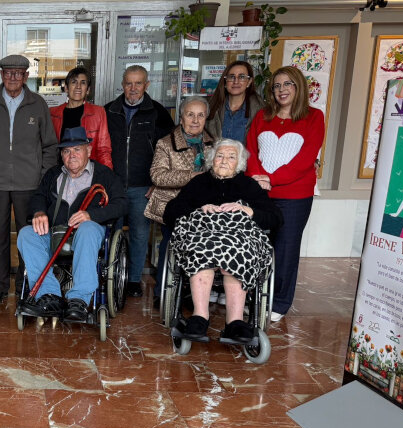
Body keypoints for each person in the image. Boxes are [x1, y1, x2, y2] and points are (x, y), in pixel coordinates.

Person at [163, 139, 282, 342]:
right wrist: (198, 209)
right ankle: (200, 317)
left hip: (239, 239)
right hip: (203, 236)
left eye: (231, 157)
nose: (224, 161)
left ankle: (235, 322)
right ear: (211, 160)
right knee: (200, 250)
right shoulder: (199, 183)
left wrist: (249, 210)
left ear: (240, 163)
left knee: (238, 252)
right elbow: (170, 212)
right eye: (220, 156)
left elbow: (276, 217)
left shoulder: (249, 185)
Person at [0, 54, 59, 304]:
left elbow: (50, 145)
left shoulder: (37, 104)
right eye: (8, 73)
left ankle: (25, 283)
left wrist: (43, 177)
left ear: (27, 76)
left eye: (19, 73)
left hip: (30, 184)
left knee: (28, 237)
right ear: (2, 75)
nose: (13, 78)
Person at [17, 126, 124, 321]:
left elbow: (122, 204)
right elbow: (38, 197)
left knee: (88, 229)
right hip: (55, 232)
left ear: (89, 151)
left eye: (77, 149)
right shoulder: (53, 174)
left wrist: (92, 215)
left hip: (87, 233)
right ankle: (49, 296)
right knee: (26, 234)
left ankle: (79, 300)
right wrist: (39, 212)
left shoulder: (104, 175)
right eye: (66, 151)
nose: (71, 155)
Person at [246, 66, 325, 323]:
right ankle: (251, 295)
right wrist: (258, 178)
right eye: (277, 86)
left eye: (287, 84)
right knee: (252, 243)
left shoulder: (314, 117)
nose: (281, 90)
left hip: (295, 195)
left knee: (285, 247)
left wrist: (272, 179)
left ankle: (279, 301)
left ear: (298, 86)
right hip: (259, 192)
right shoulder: (262, 116)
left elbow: (305, 159)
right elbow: (251, 150)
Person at [105, 65, 174, 299]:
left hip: (143, 186)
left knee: (139, 234)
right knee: (110, 234)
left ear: (147, 85)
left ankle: (133, 280)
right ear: (122, 84)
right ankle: (110, 276)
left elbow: (168, 151)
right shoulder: (108, 111)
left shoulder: (158, 112)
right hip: (112, 187)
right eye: (128, 83)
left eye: (138, 83)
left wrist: (158, 182)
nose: (133, 88)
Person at [145, 96, 215, 306]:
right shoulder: (166, 143)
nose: (195, 120)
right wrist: (191, 176)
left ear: (206, 118)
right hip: (172, 205)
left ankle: (191, 291)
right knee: (170, 245)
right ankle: (161, 292)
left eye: (200, 115)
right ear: (181, 117)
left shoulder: (213, 144)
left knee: (201, 247)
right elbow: (157, 175)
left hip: (204, 207)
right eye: (190, 114)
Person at [48, 67, 112, 168]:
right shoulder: (52, 113)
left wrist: (107, 177)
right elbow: (48, 149)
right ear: (66, 88)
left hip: (89, 172)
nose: (78, 86)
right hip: (60, 172)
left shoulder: (98, 112)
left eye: (83, 83)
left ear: (88, 90)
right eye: (74, 82)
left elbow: (104, 150)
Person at [205, 61, 264, 144]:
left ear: (249, 82)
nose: (236, 81)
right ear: (225, 81)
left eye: (242, 77)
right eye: (231, 77)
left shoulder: (260, 111)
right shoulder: (211, 106)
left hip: (246, 157)